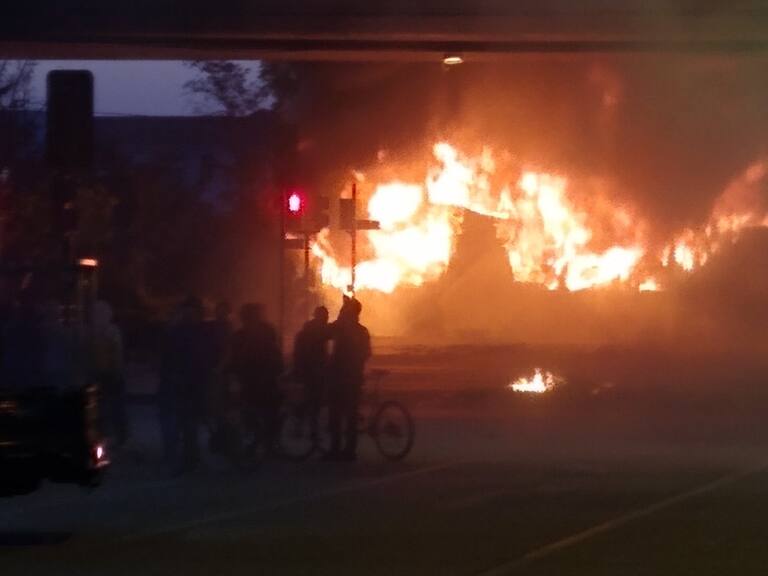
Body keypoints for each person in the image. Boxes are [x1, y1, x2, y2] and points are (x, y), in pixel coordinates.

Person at [231, 303, 283, 455]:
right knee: (261, 413)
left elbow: (274, 353)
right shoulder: (248, 334)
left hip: (260, 379)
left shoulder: (260, 332)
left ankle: (263, 443)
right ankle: (265, 443)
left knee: (263, 413)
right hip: (257, 379)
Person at [326, 296, 371, 462]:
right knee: (345, 414)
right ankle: (346, 450)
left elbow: (326, 331)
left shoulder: (347, 329)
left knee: (340, 414)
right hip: (349, 378)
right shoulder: (359, 331)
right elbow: (367, 353)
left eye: (345, 311)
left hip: (344, 378)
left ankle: (340, 450)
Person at [89, 300, 127, 447]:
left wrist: (117, 370)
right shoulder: (95, 331)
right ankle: (109, 435)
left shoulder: (110, 331)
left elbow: (117, 353)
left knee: (113, 406)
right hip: (101, 373)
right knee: (104, 407)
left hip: (109, 373)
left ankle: (118, 435)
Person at [293, 306, 330, 437]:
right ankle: (311, 428)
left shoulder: (308, 329)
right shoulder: (317, 330)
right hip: (313, 371)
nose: (327, 319)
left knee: (311, 399)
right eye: (325, 316)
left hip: (309, 371)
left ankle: (301, 421)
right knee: (315, 400)